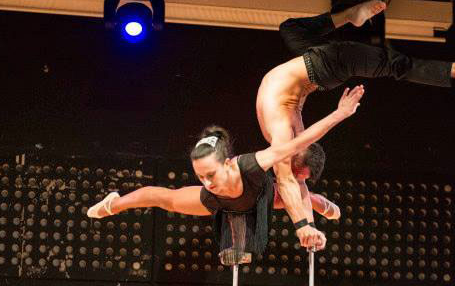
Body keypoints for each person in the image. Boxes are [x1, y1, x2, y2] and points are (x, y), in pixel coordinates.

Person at [256, 0, 455, 250]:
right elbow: (293, 182)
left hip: (325, 64)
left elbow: (290, 182)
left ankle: (353, 16)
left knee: (293, 30)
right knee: (383, 61)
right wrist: (307, 227)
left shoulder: (283, 134)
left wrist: (304, 227)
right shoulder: (292, 139)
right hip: (318, 68)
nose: (291, 175)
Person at [86, 86, 364, 255]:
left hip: (260, 195)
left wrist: (340, 114)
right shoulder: (210, 192)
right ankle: (114, 203)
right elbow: (158, 195)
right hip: (224, 203)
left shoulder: (253, 164)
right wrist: (114, 206)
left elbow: (302, 141)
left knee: (291, 195)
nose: (206, 182)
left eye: (211, 175)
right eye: (200, 176)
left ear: (229, 163)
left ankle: (317, 201)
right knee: (164, 198)